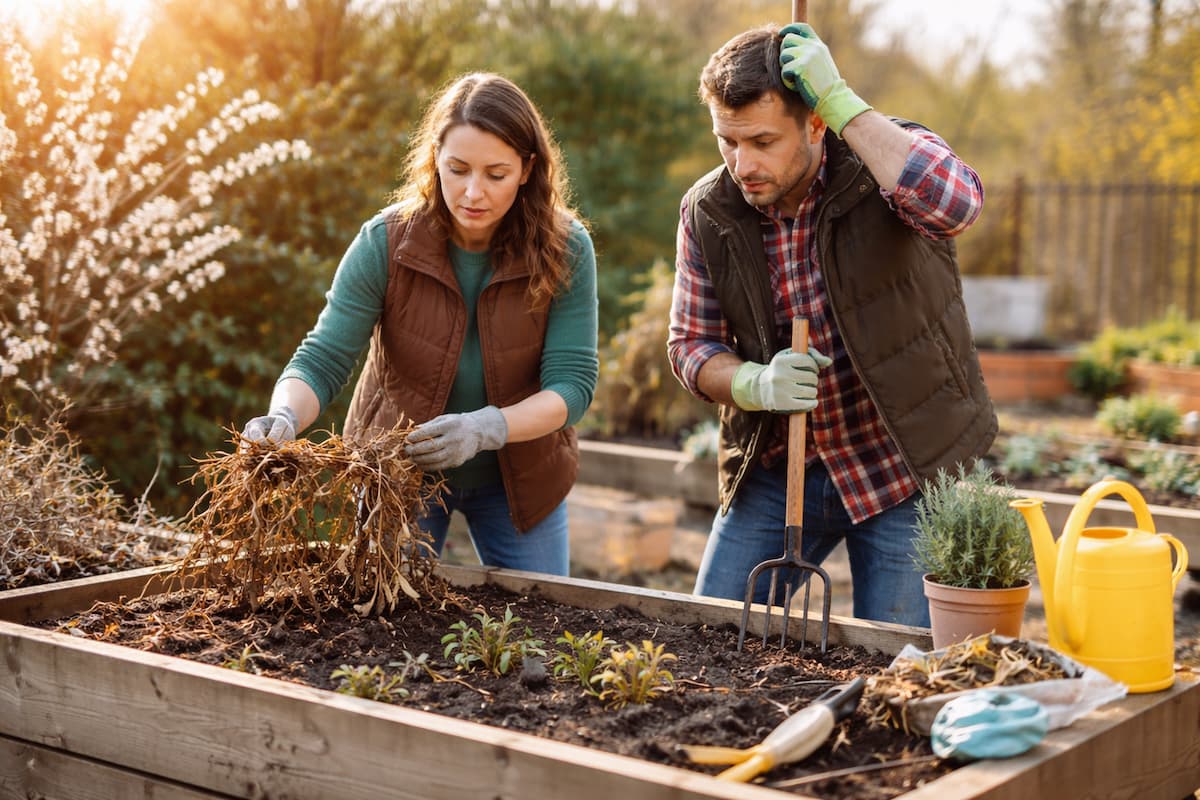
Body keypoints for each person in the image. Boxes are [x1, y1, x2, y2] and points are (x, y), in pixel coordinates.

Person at [667, 23, 996, 626]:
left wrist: (841, 101)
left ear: (815, 122)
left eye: (763, 141)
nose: (743, 164)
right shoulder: (708, 210)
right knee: (709, 638)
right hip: (774, 471)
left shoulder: (879, 159)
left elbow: (958, 205)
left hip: (900, 471)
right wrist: (753, 384)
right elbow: (691, 344)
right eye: (727, 141)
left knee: (897, 670)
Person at [241, 72, 598, 577]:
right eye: (457, 169)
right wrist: (283, 418)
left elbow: (573, 385)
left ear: (527, 169)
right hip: (397, 473)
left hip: (521, 476)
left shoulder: (567, 248)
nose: (473, 192)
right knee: (384, 625)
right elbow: (324, 356)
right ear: (435, 158)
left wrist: (485, 427)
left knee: (537, 636)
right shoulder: (386, 242)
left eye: (496, 174)